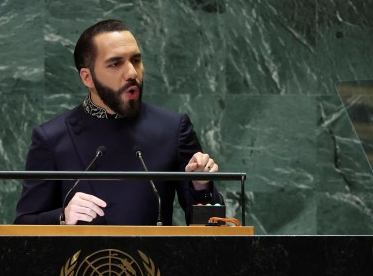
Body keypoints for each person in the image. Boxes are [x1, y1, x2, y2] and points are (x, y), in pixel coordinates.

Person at [14, 19, 222, 225]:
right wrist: (62, 216)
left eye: (136, 60)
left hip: (153, 258)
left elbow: (210, 231)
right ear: (87, 78)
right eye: (115, 64)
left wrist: (201, 186)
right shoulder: (52, 138)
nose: (132, 73)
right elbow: (23, 225)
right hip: (80, 259)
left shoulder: (173, 129)